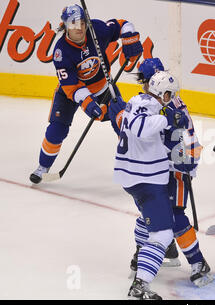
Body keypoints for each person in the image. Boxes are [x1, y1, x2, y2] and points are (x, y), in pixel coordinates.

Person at [29, 4, 143, 184]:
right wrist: (88, 103)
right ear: (65, 26)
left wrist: (130, 38)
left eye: (82, 23)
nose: (80, 28)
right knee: (56, 130)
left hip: (104, 87)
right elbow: (72, 87)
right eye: (74, 24)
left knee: (123, 120)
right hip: (70, 92)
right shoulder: (61, 52)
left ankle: (137, 164)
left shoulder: (96, 29)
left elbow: (123, 24)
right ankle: (43, 167)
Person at [126, 59, 214, 288]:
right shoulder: (148, 104)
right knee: (150, 214)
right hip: (152, 170)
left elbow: (184, 140)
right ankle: (152, 251)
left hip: (175, 169)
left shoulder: (171, 105)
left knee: (174, 216)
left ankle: (198, 263)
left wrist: (187, 161)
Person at [108, 70, 188, 300]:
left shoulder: (139, 102)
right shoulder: (146, 106)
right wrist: (167, 120)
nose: (172, 99)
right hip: (145, 179)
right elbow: (141, 129)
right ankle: (140, 284)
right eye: (170, 95)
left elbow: (147, 135)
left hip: (136, 175)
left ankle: (138, 259)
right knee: (163, 234)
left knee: (147, 219)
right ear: (161, 93)